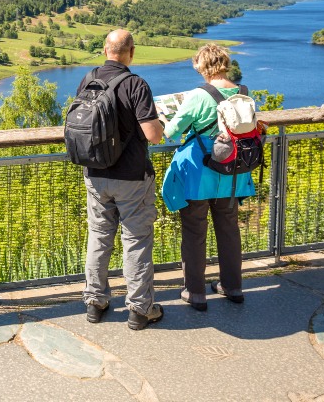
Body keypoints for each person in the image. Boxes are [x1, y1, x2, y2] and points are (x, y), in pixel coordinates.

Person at [79, 29, 165, 330]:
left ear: (105, 50)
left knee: (99, 235)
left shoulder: (88, 79)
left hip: (95, 173)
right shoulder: (136, 84)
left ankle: (95, 302)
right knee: (136, 240)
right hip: (131, 176)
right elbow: (153, 135)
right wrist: (161, 123)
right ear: (131, 52)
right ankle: (140, 310)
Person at [159, 43, 256, 311]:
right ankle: (233, 287)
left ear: (202, 67)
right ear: (225, 63)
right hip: (233, 174)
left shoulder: (199, 95)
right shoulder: (243, 93)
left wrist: (164, 119)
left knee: (194, 232)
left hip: (199, 174)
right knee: (229, 230)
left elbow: (171, 132)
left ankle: (195, 292)